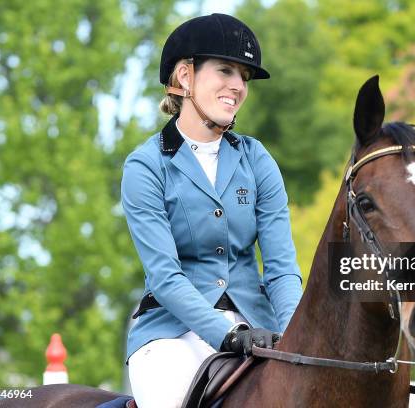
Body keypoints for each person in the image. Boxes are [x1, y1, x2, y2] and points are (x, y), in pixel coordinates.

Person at [121, 13, 303, 408]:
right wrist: (228, 334)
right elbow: (165, 277)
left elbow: (282, 268)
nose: (238, 86)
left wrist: (294, 336)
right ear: (185, 77)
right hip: (173, 335)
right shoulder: (146, 166)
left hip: (260, 329)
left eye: (244, 77)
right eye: (225, 70)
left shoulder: (257, 160)